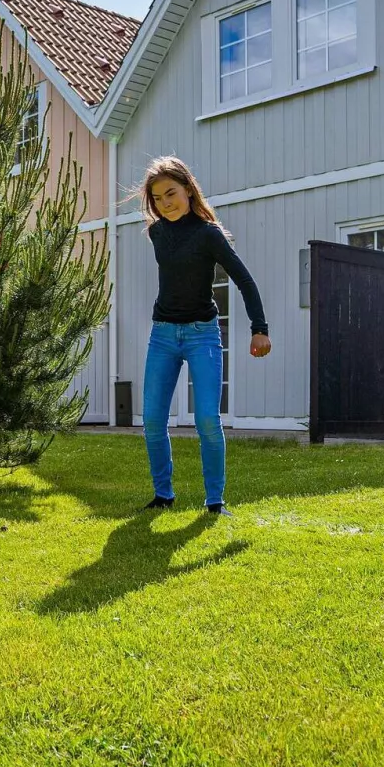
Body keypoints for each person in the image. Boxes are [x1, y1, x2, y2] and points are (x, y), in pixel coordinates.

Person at [137, 157, 270, 516]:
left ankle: (215, 502)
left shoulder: (208, 234)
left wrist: (260, 329)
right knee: (151, 421)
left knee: (207, 420)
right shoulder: (157, 233)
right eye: (157, 198)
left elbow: (244, 280)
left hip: (202, 336)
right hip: (162, 336)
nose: (165, 203)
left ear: (188, 191)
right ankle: (163, 495)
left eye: (171, 193)